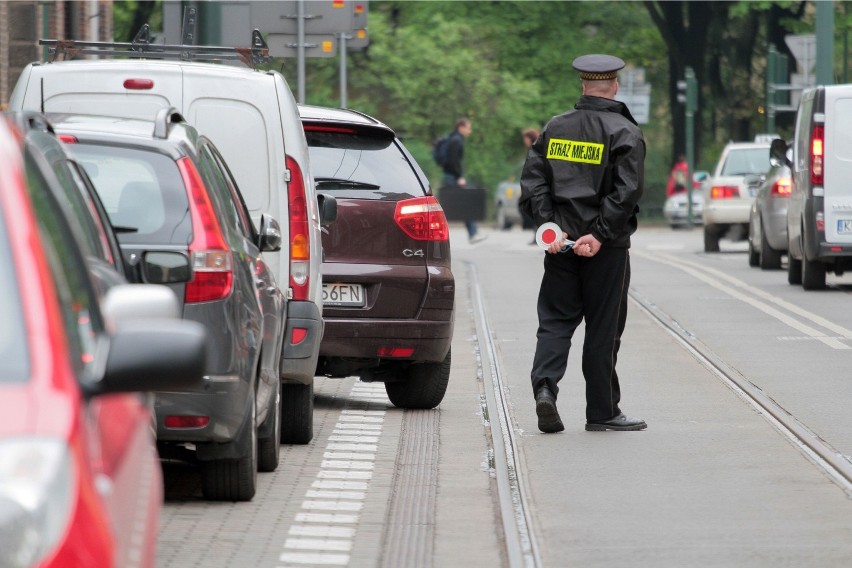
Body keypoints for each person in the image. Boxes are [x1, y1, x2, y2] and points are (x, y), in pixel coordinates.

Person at [518, 54, 647, 434]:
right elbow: (627, 192)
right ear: (615, 87)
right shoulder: (625, 132)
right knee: (603, 328)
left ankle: (545, 388)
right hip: (605, 250)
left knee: (555, 322)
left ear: (583, 86)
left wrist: (550, 227)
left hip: (561, 246)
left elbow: (533, 182)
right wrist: (601, 233)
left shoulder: (555, 128)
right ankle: (602, 411)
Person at [442, 117, 485, 243]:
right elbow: (453, 161)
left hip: (450, 176)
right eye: (468, 128)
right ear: (461, 127)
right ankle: (473, 234)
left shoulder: (454, 138)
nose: (469, 131)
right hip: (453, 177)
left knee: (459, 205)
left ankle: (473, 234)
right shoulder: (456, 140)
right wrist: (459, 176)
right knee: (464, 204)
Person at [520, 128, 541, 244]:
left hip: (535, 186)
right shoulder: (535, 149)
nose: (524, 141)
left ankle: (538, 237)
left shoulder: (534, 150)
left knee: (536, 212)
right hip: (534, 185)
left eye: (525, 138)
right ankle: (537, 237)